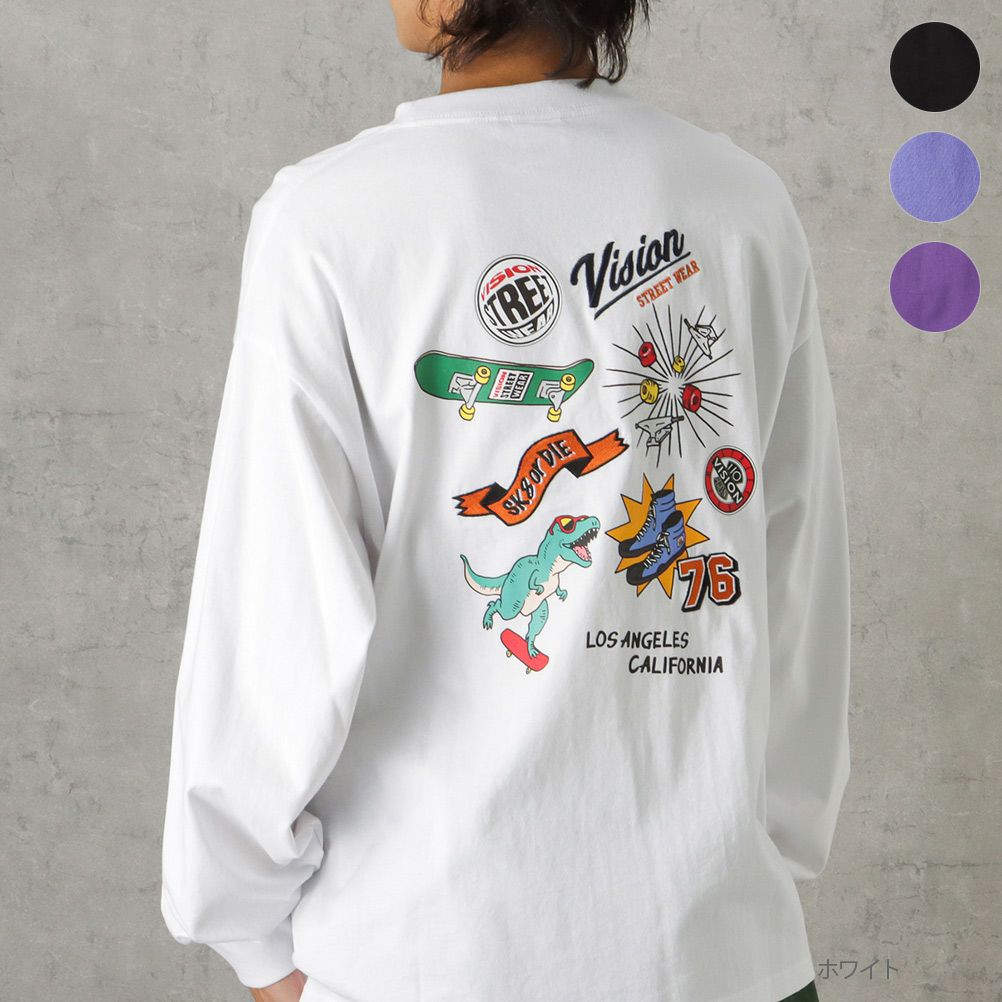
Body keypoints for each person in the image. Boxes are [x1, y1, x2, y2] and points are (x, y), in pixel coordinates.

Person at [160, 1, 850, 1001]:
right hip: (721, 947)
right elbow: (795, 573)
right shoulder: (741, 203)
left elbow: (274, 613)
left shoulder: (329, 221)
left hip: (427, 951)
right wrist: (749, 867)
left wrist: (252, 935)